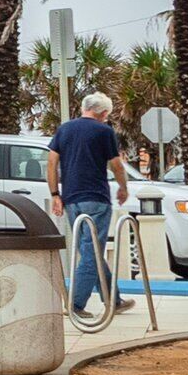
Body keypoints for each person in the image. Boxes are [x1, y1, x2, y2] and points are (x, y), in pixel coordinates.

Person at [46, 91, 133, 315]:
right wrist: (123, 188)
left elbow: (52, 163)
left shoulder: (64, 129)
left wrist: (55, 194)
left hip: (71, 199)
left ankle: (113, 300)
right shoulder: (104, 131)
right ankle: (75, 304)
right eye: (106, 115)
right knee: (92, 253)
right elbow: (116, 165)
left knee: (90, 251)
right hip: (96, 199)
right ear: (103, 113)